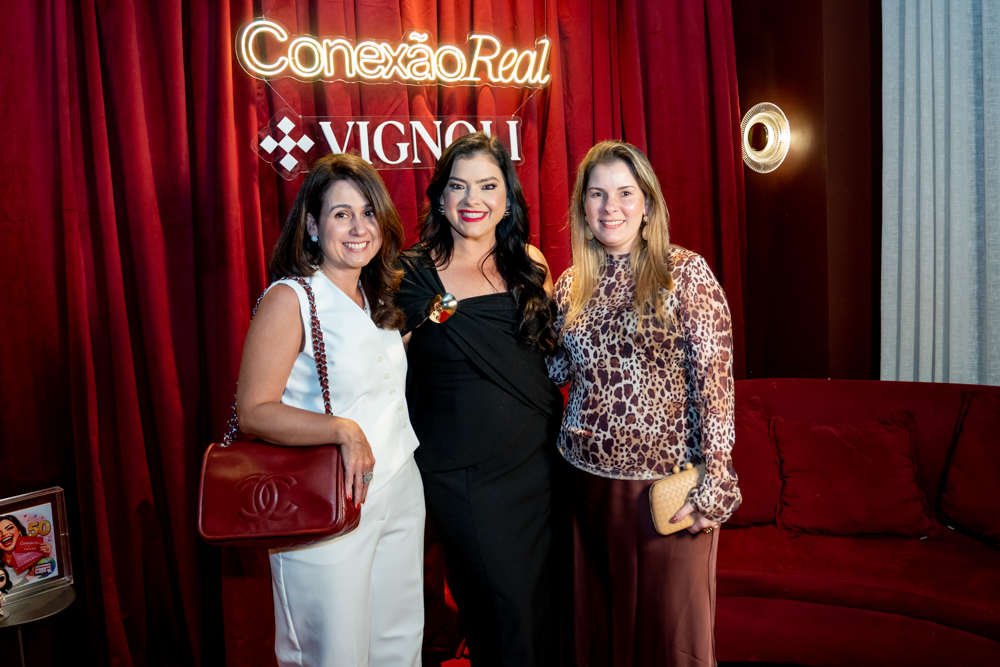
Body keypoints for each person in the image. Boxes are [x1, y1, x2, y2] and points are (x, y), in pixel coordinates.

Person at [547, 140, 741, 666]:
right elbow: (550, 373)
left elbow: (715, 384)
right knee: (594, 639)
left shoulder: (686, 273)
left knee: (670, 643)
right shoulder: (570, 286)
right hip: (584, 493)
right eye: (597, 194)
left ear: (648, 204)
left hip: (666, 495)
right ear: (583, 208)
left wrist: (717, 480)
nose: (610, 206)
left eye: (625, 193)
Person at [236, 153, 424, 667]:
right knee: (333, 651)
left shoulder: (376, 295)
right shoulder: (291, 297)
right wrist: (343, 429)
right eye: (342, 214)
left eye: (369, 212)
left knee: (397, 643)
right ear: (314, 226)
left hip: (400, 487)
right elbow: (254, 410)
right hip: (328, 497)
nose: (359, 227)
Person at [397, 132, 563, 667]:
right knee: (501, 610)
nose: (473, 199)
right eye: (459, 185)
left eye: (488, 186)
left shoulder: (530, 263)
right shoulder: (408, 273)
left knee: (542, 608)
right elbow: (381, 371)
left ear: (508, 198)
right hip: (461, 474)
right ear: (440, 197)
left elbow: (548, 359)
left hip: (538, 466)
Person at [0, 515, 51, 588]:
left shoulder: (30, 552)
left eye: (9, 528)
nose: (4, 534)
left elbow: (39, 576)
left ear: (19, 531)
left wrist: (45, 556)